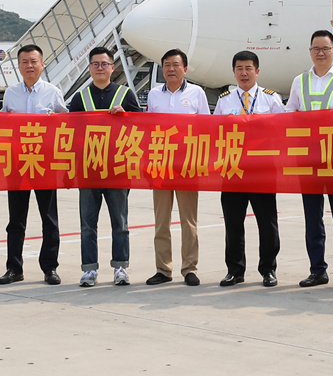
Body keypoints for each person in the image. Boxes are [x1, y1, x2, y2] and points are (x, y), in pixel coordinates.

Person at [286, 30, 333, 291]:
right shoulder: (299, 81)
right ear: (310, 51)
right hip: (308, 160)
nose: (321, 53)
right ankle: (317, 270)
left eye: (325, 48)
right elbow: (289, 116)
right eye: (316, 48)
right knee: (312, 218)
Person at [68, 46, 141, 287]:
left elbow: (143, 130)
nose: (100, 68)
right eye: (95, 64)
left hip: (118, 169)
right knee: (88, 224)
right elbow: (68, 133)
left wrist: (127, 117)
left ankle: (121, 267)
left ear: (112, 67)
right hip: (88, 170)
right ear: (89, 68)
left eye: (104, 64)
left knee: (119, 222)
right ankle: (89, 270)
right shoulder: (79, 98)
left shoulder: (125, 95)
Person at [0, 44, 68, 285]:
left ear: (42, 64)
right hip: (17, 164)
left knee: (49, 218)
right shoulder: (10, 93)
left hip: (44, 163)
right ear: (18, 66)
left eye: (34, 61)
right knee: (16, 219)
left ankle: (50, 268)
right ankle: (14, 268)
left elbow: (66, 123)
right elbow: (1, 125)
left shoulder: (52, 92)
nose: (29, 66)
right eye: (25, 62)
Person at [214, 51, 285, 287]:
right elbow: (215, 134)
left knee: (267, 223)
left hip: (263, 171)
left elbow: (282, 132)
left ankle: (268, 269)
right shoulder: (225, 101)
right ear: (233, 71)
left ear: (257, 71)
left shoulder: (271, 100)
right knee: (233, 223)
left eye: (248, 68)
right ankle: (235, 270)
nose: (244, 73)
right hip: (233, 170)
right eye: (239, 68)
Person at [144, 49, 211, 286]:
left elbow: (206, 128)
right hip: (160, 165)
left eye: (175, 64)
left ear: (185, 68)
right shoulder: (154, 94)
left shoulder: (197, 93)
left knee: (188, 221)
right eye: (166, 65)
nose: (171, 69)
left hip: (187, 166)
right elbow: (146, 129)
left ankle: (189, 268)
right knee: (161, 221)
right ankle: (163, 269)